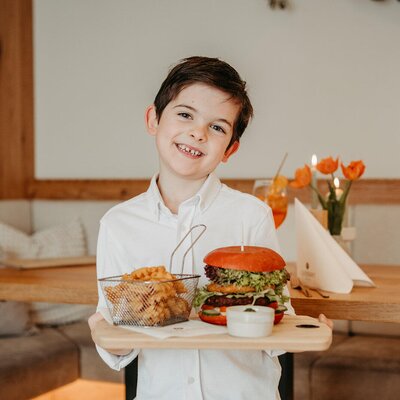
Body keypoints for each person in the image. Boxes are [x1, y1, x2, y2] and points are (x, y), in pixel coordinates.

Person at [88, 56, 332, 400]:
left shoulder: (252, 215)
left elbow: (277, 315)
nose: (197, 132)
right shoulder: (117, 225)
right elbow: (119, 344)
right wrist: (103, 334)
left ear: (230, 149)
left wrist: (305, 332)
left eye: (217, 127)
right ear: (153, 119)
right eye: (185, 114)